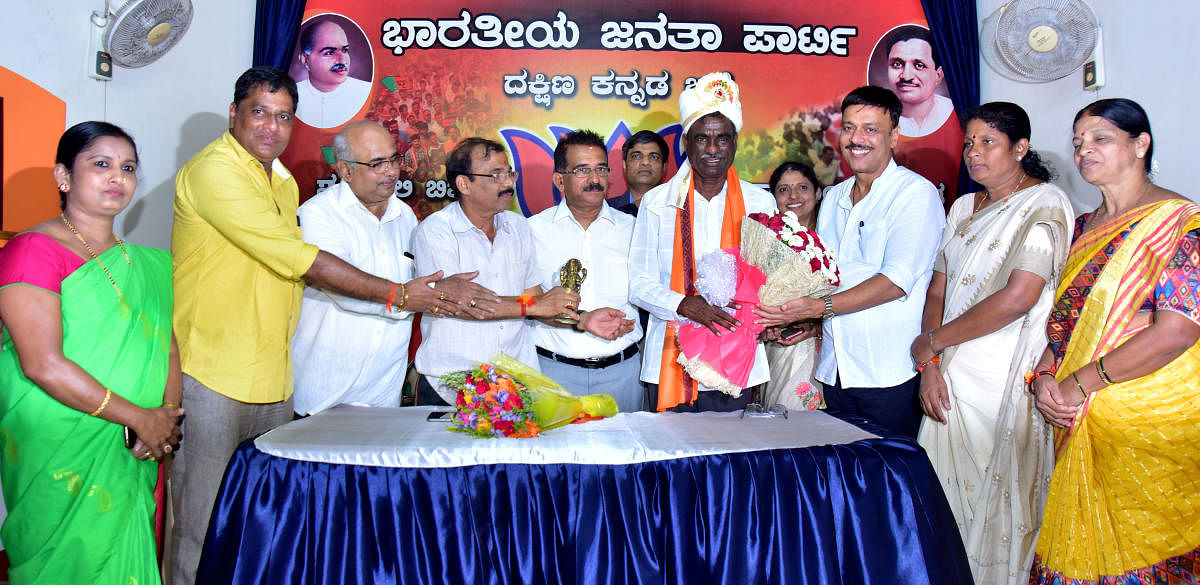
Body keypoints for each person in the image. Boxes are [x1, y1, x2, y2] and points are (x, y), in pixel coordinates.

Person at [170, 67, 490, 585]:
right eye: (259, 112)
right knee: (204, 522)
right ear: (234, 114)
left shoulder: (280, 183)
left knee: (270, 521)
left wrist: (431, 292)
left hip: (281, 379)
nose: (272, 127)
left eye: (284, 117)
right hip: (219, 372)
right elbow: (311, 268)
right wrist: (404, 295)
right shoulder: (220, 173)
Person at [0, 122, 182, 584]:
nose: (116, 177)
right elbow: (42, 363)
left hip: (137, 444)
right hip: (62, 437)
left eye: (128, 168)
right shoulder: (31, 252)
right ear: (63, 176)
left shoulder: (150, 264)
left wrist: (162, 417)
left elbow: (167, 346)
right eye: (100, 164)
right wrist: (137, 417)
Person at [1029, 98, 1200, 585]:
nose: (1084, 151)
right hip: (1078, 415)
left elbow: (1177, 331)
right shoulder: (1083, 229)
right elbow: (1065, 325)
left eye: (1100, 138)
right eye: (1079, 143)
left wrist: (1081, 383)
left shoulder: (1183, 223)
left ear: (1140, 144)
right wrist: (1042, 377)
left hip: (1153, 425)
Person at [908, 102, 1072, 585]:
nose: (973, 153)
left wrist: (932, 341)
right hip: (947, 368)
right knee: (942, 486)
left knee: (997, 496)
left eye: (987, 143)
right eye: (969, 142)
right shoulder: (962, 206)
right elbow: (938, 287)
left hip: (1001, 373)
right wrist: (931, 361)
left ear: (1021, 149)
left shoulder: (1045, 203)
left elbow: (1020, 296)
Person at [754, 86, 945, 438]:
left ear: (895, 136)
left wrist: (818, 306)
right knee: (845, 478)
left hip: (887, 372)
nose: (857, 139)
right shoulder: (837, 196)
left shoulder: (915, 194)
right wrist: (805, 317)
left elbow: (895, 281)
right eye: (849, 127)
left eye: (871, 129)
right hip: (835, 370)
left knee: (890, 480)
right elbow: (826, 273)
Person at [412, 137, 628, 405]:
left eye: (508, 173)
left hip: (514, 385)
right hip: (451, 383)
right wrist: (535, 306)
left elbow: (534, 297)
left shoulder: (518, 227)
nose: (507, 183)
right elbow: (461, 303)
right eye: (495, 174)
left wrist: (582, 320)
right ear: (464, 184)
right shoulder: (435, 232)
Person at [629, 71, 777, 412]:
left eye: (723, 139)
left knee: (735, 461)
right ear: (685, 143)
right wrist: (683, 304)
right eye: (701, 139)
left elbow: (770, 278)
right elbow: (637, 283)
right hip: (671, 357)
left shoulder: (759, 204)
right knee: (673, 460)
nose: (712, 149)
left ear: (735, 143)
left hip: (739, 359)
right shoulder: (658, 203)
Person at [291, 121, 421, 415]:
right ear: (345, 170)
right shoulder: (317, 215)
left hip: (383, 397)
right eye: (377, 163)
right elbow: (343, 291)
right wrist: (406, 297)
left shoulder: (406, 218)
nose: (391, 171)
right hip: (320, 395)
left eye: (394, 160)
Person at [529, 130, 642, 410]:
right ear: (559, 180)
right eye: (582, 170)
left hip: (624, 372)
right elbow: (526, 303)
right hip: (553, 374)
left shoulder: (635, 230)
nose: (595, 180)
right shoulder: (532, 232)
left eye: (601, 169)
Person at [758, 161, 826, 411]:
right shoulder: (763, 242)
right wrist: (763, 327)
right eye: (784, 189)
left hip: (823, 350)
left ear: (817, 193)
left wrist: (818, 324)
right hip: (775, 349)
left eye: (802, 187)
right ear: (773, 196)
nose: (794, 196)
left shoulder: (835, 238)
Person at [294, 20, 372, 128]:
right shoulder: (290, 94)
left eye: (345, 50)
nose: (342, 60)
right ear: (305, 60)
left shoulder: (365, 91)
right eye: (330, 53)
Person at [887, 28, 953, 138]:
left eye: (919, 65)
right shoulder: (877, 118)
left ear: (938, 75)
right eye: (897, 64)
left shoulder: (954, 112)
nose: (906, 76)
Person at [609, 129, 669, 215]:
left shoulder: (676, 212)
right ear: (625, 165)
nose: (645, 162)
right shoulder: (605, 211)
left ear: (664, 167)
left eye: (654, 157)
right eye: (636, 156)